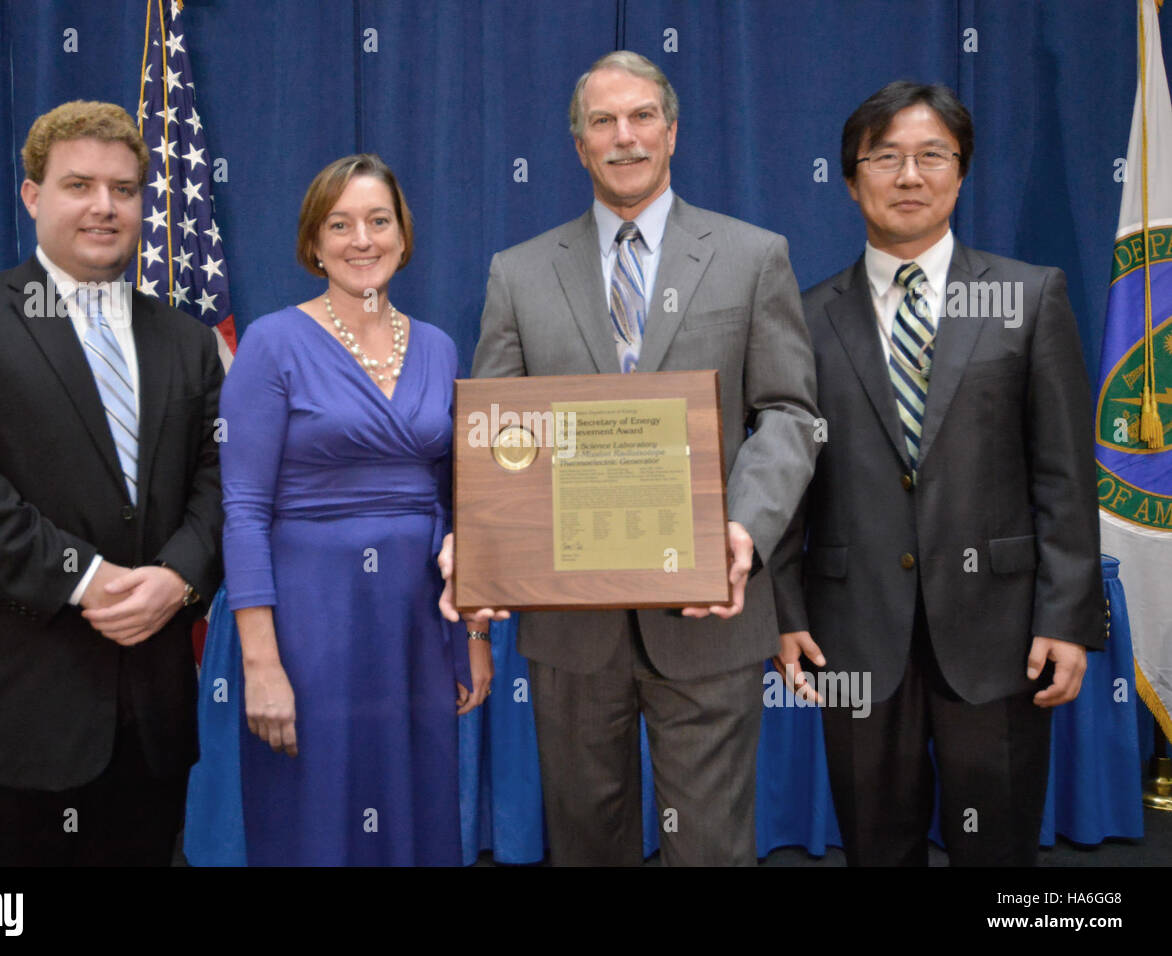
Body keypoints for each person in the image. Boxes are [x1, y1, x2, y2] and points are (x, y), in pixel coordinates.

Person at [439, 51, 820, 866]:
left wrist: (745, 526)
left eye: (642, 116)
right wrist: (487, 548)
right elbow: (497, 436)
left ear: (672, 132)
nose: (625, 137)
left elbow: (788, 413)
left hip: (708, 610)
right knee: (583, 846)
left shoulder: (754, 256)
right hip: (570, 625)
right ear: (578, 145)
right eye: (602, 122)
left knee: (713, 848)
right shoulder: (520, 271)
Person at [770, 81, 1105, 866]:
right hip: (851, 631)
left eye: (931, 156)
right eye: (885, 158)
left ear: (961, 172)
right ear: (852, 180)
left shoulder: (1028, 295)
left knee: (1000, 848)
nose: (909, 176)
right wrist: (781, 614)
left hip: (1004, 633)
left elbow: (1063, 474)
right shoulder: (804, 315)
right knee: (874, 845)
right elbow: (784, 478)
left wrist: (1068, 619)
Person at [0, 100, 224, 865]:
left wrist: (179, 576)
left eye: (125, 189)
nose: (105, 206)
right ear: (33, 195)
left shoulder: (187, 341)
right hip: (14, 723)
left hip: (152, 723)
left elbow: (222, 478)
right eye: (79, 185)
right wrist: (88, 579)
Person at [217, 154, 492, 866]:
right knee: (315, 812)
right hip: (310, 625)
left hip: (416, 623)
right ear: (313, 243)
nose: (361, 240)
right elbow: (243, 509)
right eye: (339, 225)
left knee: (417, 806)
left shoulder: (437, 345)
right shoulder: (273, 344)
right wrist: (261, 664)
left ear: (404, 236)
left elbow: (457, 498)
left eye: (378, 221)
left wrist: (475, 634)